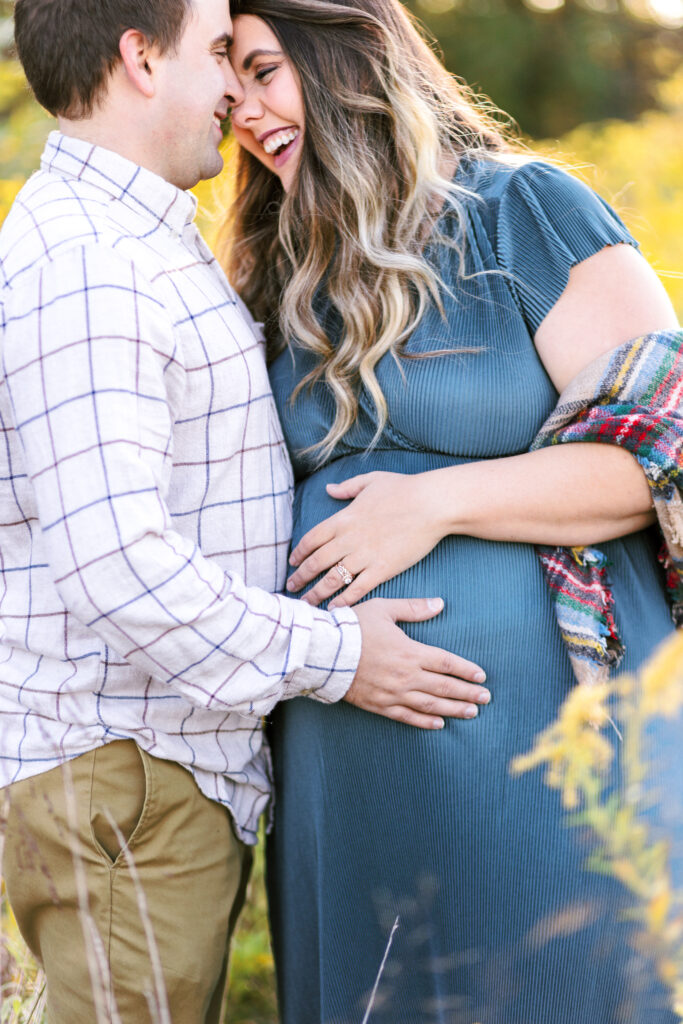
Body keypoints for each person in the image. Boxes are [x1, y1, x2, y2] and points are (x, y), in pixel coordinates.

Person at [0, 1, 492, 1021]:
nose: (235, 89)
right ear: (140, 57)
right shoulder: (88, 261)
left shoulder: (143, 242)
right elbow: (118, 564)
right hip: (122, 772)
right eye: (220, 53)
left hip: (157, 773)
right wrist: (339, 654)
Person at [225, 1, 683, 1021]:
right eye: (229, 78)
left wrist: (433, 506)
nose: (242, 108)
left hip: (547, 751)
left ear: (349, 53)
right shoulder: (277, 268)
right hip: (351, 770)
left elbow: (661, 457)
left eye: (264, 69)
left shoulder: (521, 207)